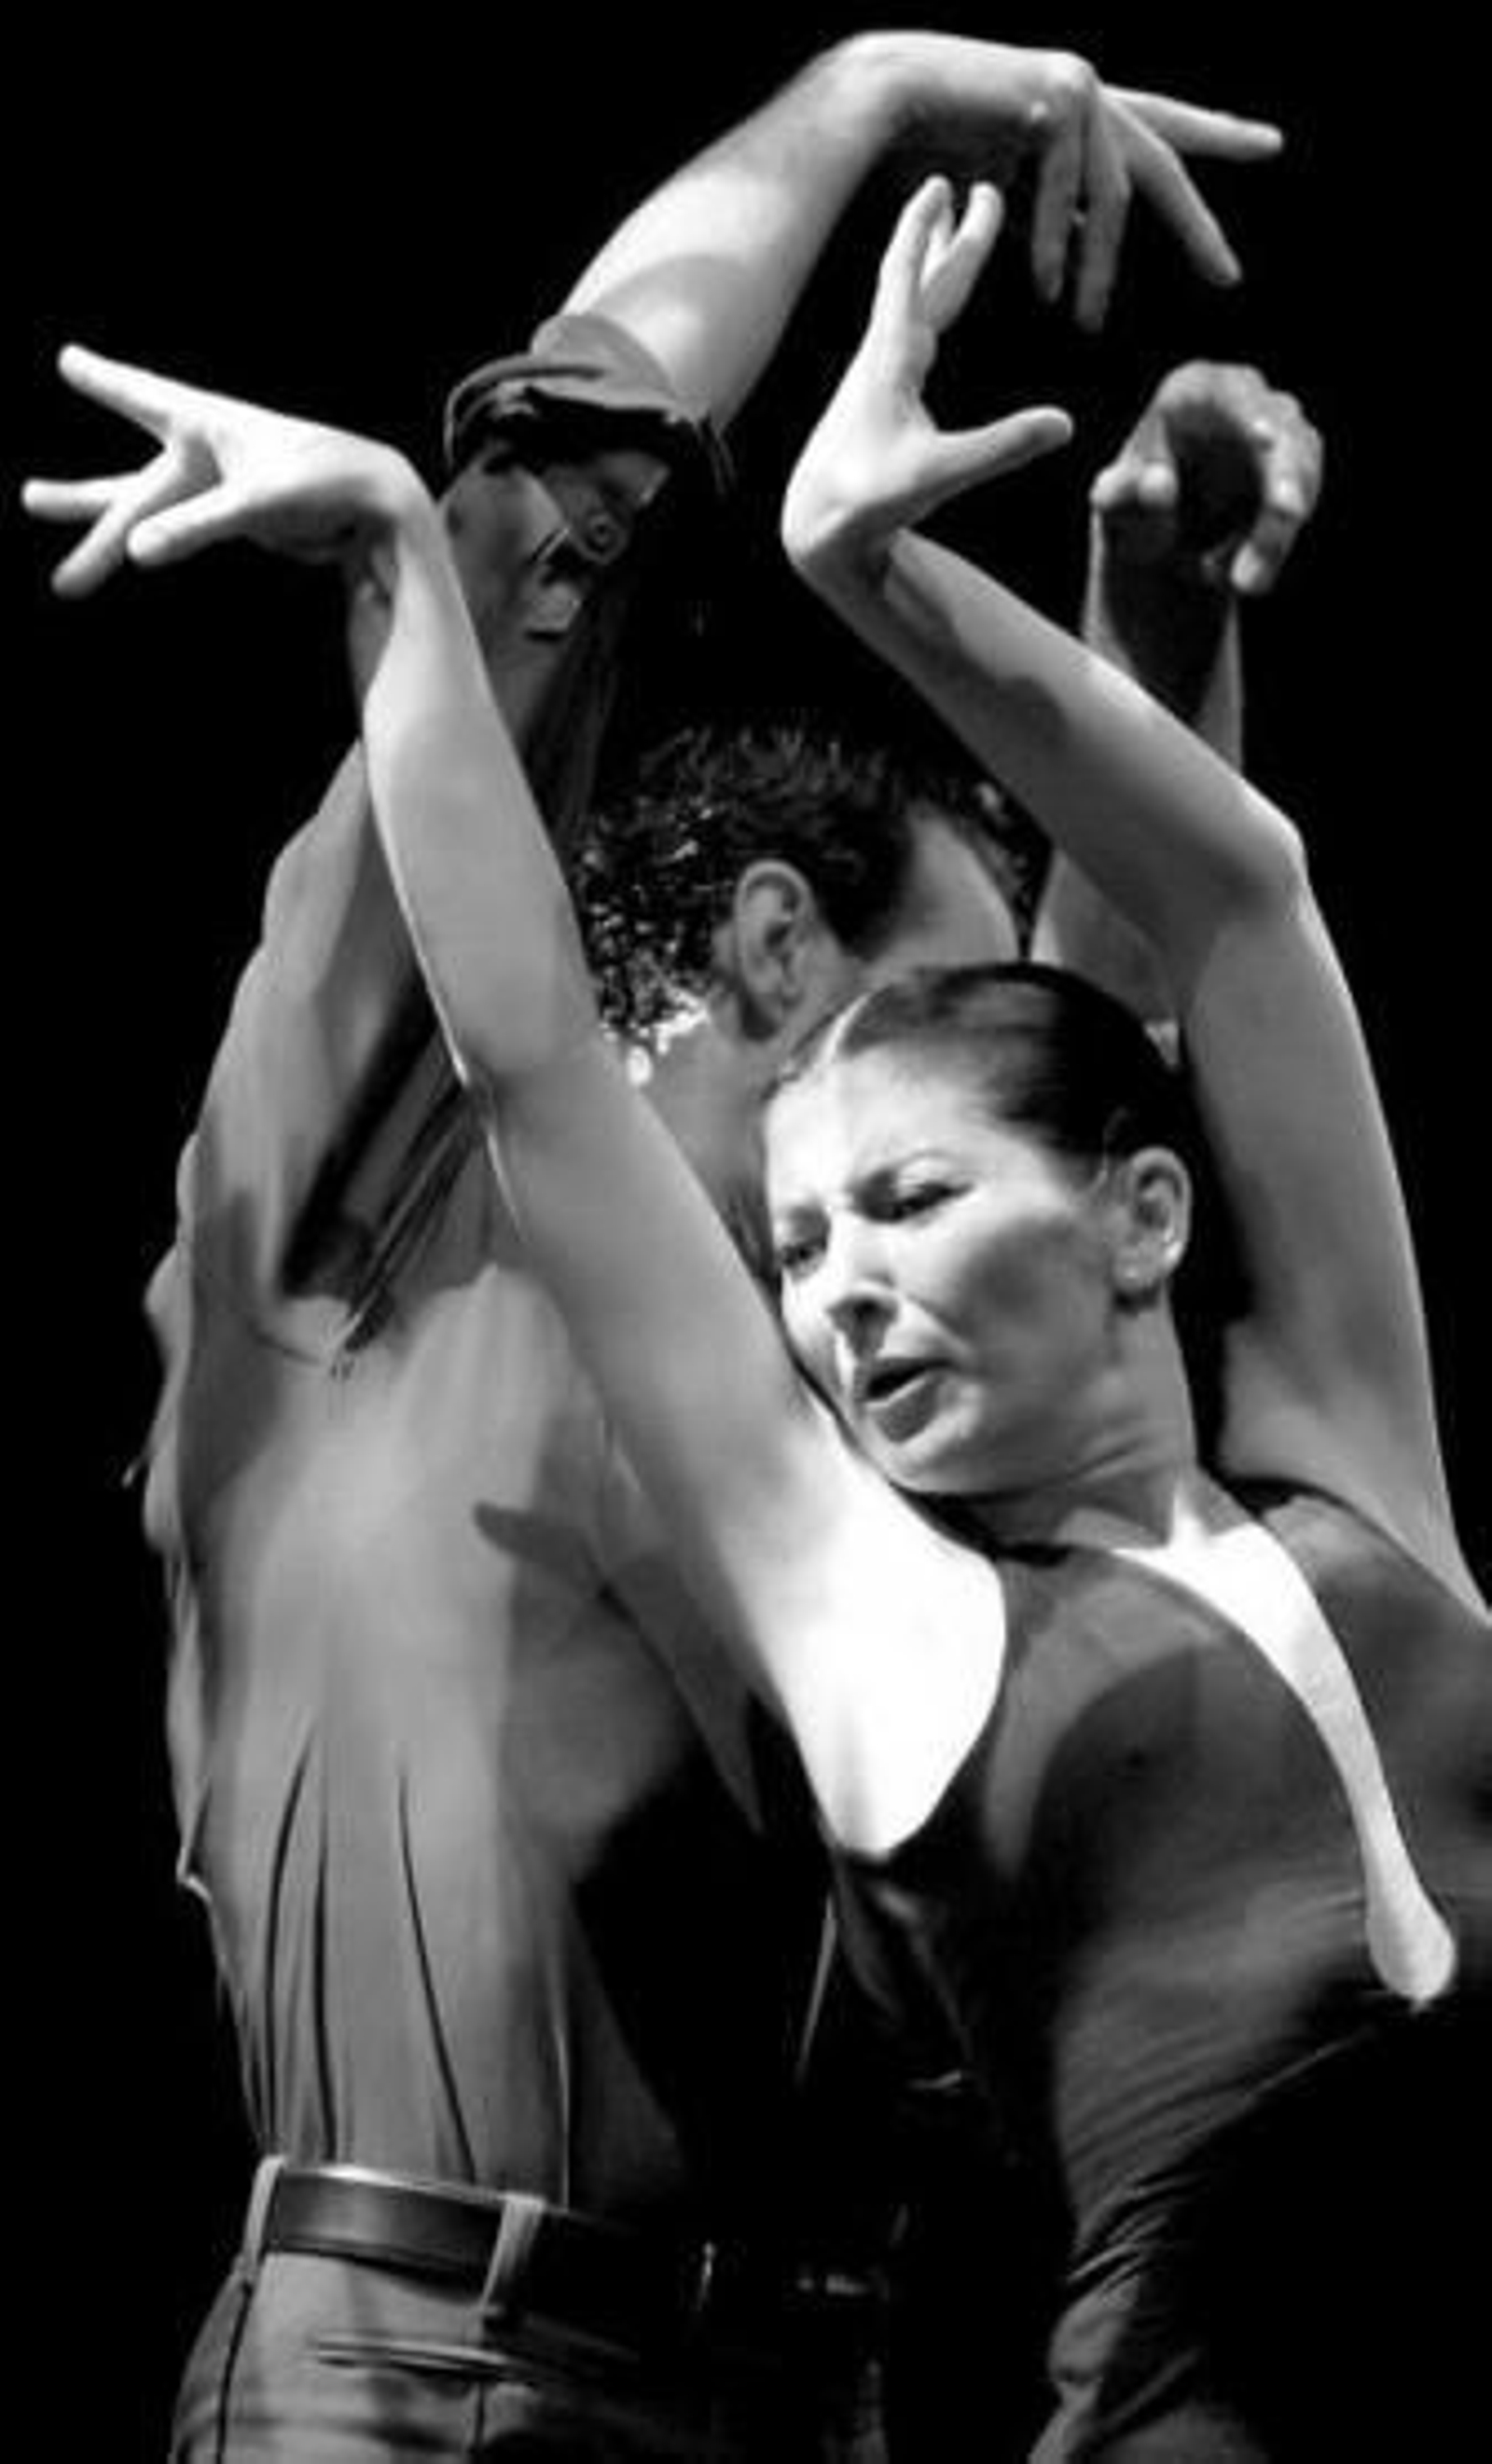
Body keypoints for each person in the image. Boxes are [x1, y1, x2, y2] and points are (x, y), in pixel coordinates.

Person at [29, 156, 1489, 2457]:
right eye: (852, 1186)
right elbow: (535, 840)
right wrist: (858, 101)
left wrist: (1134, 627)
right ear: (786, 956)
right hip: (423, 2367)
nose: (866, 1269)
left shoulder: (917, 1465)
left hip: (806, 2388)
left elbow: (1138, 1027)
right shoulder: (389, 1273)